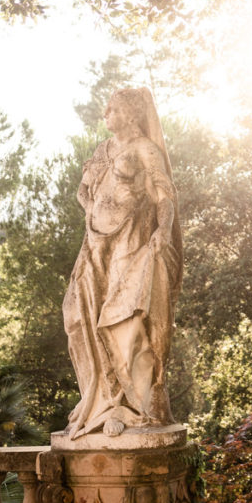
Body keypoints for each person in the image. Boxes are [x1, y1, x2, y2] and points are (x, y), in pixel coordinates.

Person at [63, 87, 183, 438]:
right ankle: (94, 398)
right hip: (95, 243)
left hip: (131, 240)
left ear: (130, 114)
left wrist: (162, 230)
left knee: (123, 319)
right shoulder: (103, 150)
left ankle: (128, 405)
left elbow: (164, 195)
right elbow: (83, 191)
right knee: (74, 315)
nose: (106, 116)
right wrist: (93, 214)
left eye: (112, 110)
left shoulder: (145, 149)